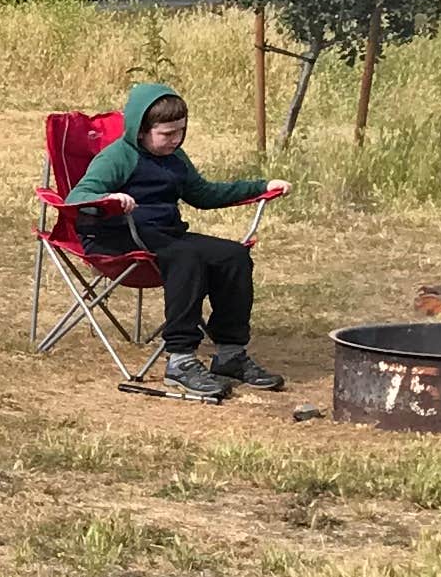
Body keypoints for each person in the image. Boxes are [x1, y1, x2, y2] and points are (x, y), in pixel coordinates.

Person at [63, 85, 288, 403]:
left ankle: (230, 354)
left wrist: (261, 186)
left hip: (164, 235)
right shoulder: (117, 157)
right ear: (141, 130)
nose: (175, 140)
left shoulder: (175, 158)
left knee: (233, 256)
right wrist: (109, 199)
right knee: (186, 256)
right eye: (166, 133)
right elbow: (78, 198)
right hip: (116, 239)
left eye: (180, 132)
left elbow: (204, 195)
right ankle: (181, 359)